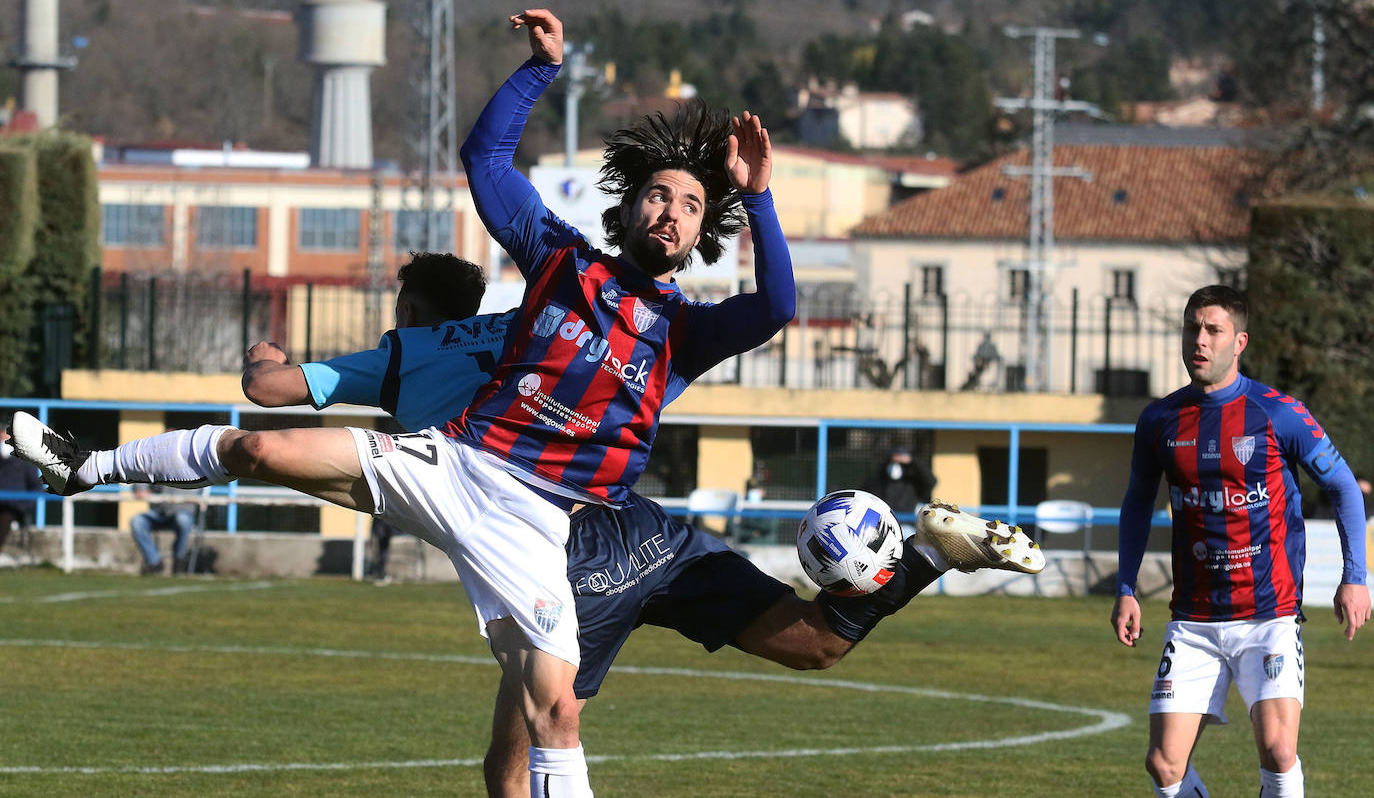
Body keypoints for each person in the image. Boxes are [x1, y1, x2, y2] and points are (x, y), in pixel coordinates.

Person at [8, 247, 1044, 797]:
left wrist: (264, 367)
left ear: (410, 304)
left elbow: (280, 399)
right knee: (813, 643)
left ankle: (87, 464)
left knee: (524, 752)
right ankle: (917, 557)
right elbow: (751, 308)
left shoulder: (414, 352)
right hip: (645, 532)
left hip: (560, 540)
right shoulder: (570, 319)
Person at [1110, 285, 1370, 798]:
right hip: (1193, 620)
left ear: (1239, 341)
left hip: (1269, 616)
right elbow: (1137, 503)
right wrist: (1126, 586)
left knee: (1278, 750)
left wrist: (1355, 577)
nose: (1199, 341)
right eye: (1191, 328)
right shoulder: (1159, 420)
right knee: (1164, 764)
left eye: (1213, 330)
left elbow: (1343, 486)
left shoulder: (1277, 413)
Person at [130, 484, 196, 575]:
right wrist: (140, 489)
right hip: (158, 512)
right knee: (137, 522)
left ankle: (179, 560)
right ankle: (154, 562)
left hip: (182, 511)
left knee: (183, 520)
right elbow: (142, 473)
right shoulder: (157, 468)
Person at [0, 423, 43, 555]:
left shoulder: (26, 462)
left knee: (3, 520)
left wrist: (24, 505)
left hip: (13, 507)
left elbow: (36, 487)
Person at [861, 446, 936, 518]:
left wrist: (912, 461)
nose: (896, 466)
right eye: (894, 462)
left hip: (907, 523)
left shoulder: (912, 482)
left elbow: (931, 481)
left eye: (900, 463)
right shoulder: (879, 481)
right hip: (883, 521)